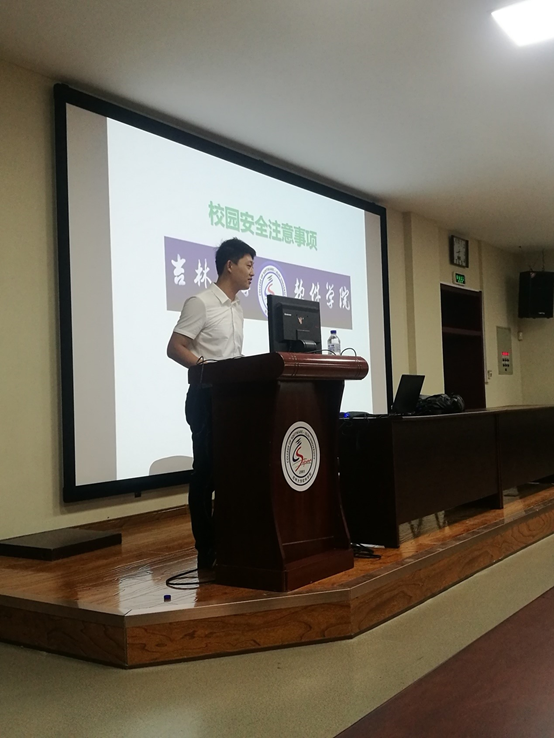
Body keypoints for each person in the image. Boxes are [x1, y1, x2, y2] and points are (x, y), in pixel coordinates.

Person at [167, 238, 256, 570]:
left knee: (233, 471)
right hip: (206, 398)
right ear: (229, 266)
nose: (252, 272)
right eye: (248, 265)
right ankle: (206, 548)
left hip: (234, 400)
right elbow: (176, 347)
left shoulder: (238, 308)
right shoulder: (201, 302)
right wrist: (206, 367)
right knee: (206, 472)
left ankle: (231, 540)